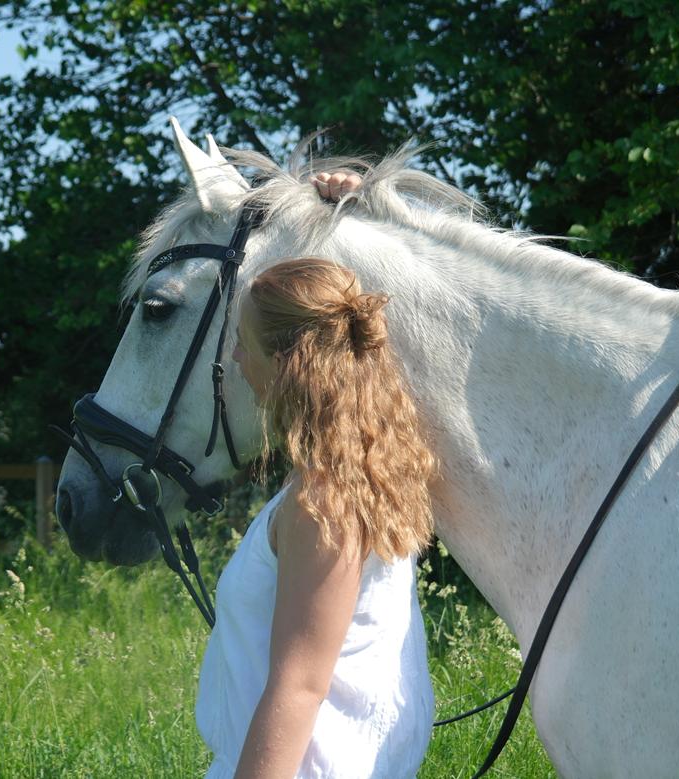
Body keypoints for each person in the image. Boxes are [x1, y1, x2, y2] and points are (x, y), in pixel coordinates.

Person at [195, 173, 436, 778]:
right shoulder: (368, 474)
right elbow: (327, 305)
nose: (234, 362)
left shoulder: (322, 502)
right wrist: (353, 208)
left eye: (243, 344)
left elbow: (298, 688)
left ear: (286, 367)